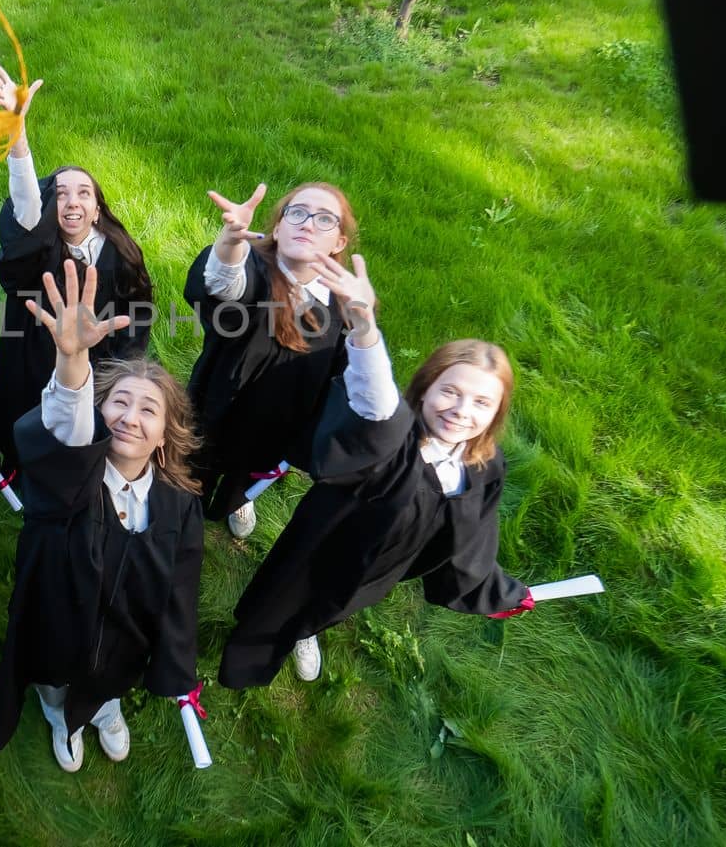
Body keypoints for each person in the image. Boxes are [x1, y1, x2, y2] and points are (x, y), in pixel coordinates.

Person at [218, 255, 533, 688]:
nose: (461, 411)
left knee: (333, 607)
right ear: (424, 390)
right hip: (321, 546)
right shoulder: (391, 437)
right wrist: (364, 327)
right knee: (276, 606)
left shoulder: (483, 466)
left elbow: (470, 545)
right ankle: (248, 657)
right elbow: (375, 390)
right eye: (450, 392)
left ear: (498, 412)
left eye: (482, 403)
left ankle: (307, 631)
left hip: (379, 570)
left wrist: (499, 592)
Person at [0, 260, 204, 773]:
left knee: (110, 677)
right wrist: (73, 361)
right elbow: (67, 422)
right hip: (55, 615)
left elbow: (181, 589)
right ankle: (60, 714)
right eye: (118, 403)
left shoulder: (178, 506)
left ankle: (103, 709)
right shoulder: (69, 478)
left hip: (124, 636)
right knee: (54, 676)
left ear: (166, 435)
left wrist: (176, 665)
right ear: (99, 414)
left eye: (148, 410)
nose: (129, 416)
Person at [0, 61, 153, 474]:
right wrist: (17, 137)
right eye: (60, 194)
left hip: (98, 366)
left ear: (97, 210)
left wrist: (122, 369)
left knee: (84, 439)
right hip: (32, 357)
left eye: (83, 193)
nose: (72, 201)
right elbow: (26, 205)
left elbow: (137, 317)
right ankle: (22, 471)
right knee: (28, 427)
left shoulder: (122, 255)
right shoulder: (37, 251)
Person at [183, 182, 357, 538]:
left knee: (250, 471)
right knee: (195, 464)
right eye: (297, 213)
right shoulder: (255, 269)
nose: (308, 224)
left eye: (325, 219)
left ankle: (239, 498)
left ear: (339, 242)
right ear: (278, 227)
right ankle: (184, 510)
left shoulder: (341, 304)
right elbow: (226, 288)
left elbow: (341, 375)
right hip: (218, 402)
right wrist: (231, 242)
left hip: (279, 421)